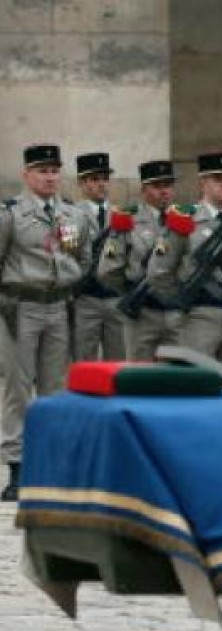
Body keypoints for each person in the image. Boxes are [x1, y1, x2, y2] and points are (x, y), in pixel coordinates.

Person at [0, 144, 88, 501]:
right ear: (26, 175)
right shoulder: (10, 214)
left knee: (54, 390)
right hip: (21, 308)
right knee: (18, 389)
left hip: (58, 306)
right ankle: (18, 468)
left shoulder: (72, 214)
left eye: (54, 171)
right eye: (42, 171)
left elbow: (80, 256)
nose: (50, 178)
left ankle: (50, 466)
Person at [146, 152, 222, 369]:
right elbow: (159, 272)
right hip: (198, 315)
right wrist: (183, 299)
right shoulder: (186, 219)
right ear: (203, 182)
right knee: (197, 387)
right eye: (217, 179)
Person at [97, 160, 183, 360]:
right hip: (143, 311)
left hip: (176, 312)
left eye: (168, 185)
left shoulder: (185, 220)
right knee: (139, 379)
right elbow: (107, 270)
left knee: (176, 382)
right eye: (157, 186)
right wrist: (131, 291)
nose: (164, 192)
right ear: (144, 189)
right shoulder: (128, 220)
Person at [72, 152, 126, 361]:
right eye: (95, 179)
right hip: (86, 299)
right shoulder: (71, 214)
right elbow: (69, 254)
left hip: (115, 298)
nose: (102, 184)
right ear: (82, 183)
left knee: (118, 363)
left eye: (105, 179)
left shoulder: (121, 215)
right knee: (84, 362)